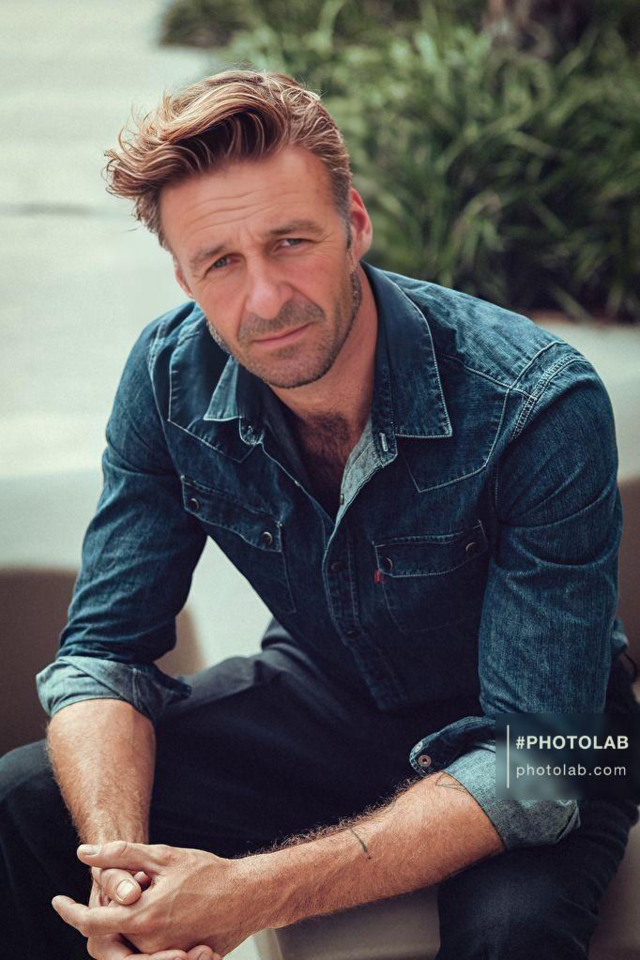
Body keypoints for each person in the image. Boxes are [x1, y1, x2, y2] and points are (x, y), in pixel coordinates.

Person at [1, 69, 638, 960]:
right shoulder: (166, 380)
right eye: (221, 262)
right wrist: (123, 876)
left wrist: (247, 892)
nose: (265, 299)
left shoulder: (536, 404)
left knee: (513, 934)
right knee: (24, 801)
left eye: (290, 241)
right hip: (329, 693)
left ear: (354, 226)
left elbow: (537, 769)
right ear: (183, 275)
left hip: (545, 736)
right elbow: (104, 655)